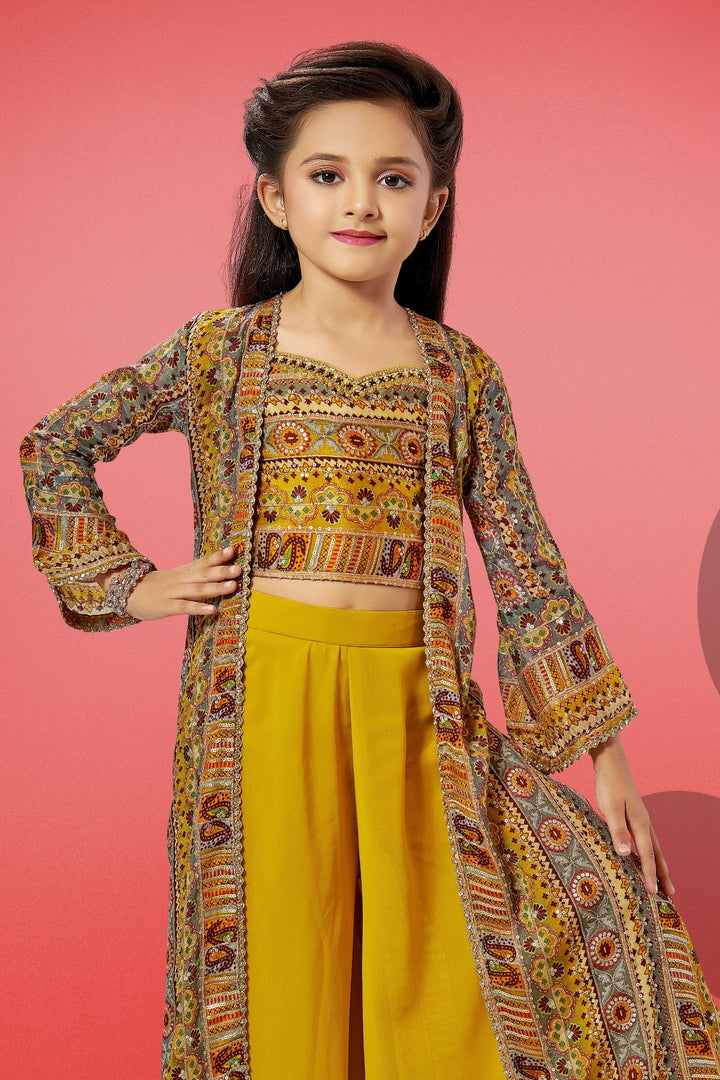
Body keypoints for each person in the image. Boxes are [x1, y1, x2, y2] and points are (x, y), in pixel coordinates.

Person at [19, 39, 720, 1080]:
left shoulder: (459, 375)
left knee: (444, 975)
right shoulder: (220, 352)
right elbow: (55, 444)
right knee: (284, 986)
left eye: (393, 179)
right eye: (326, 174)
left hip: (417, 710)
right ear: (275, 198)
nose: (360, 202)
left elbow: (525, 560)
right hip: (260, 708)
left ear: (433, 208)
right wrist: (128, 585)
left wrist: (608, 757)